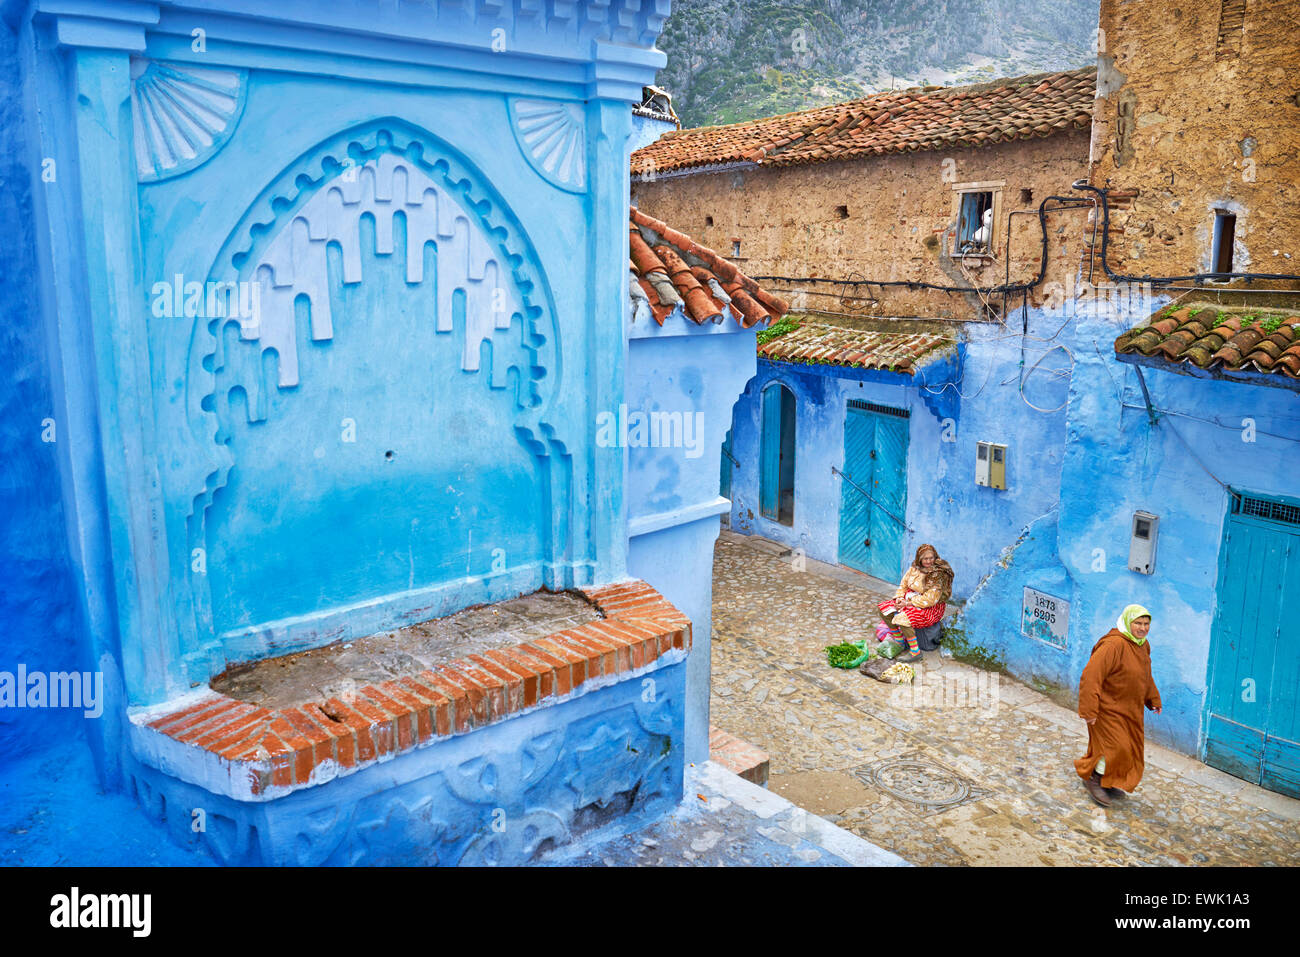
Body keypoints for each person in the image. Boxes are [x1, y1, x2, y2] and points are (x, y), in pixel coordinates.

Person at [1074, 604, 1162, 808]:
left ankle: (1107, 779)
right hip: (1106, 708)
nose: (1142, 628)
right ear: (1127, 622)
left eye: (1146, 624)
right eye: (1138, 623)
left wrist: (1153, 699)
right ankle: (1094, 779)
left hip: (1129, 709)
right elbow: (1091, 677)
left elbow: (1145, 676)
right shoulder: (1113, 645)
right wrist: (1089, 710)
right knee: (1114, 747)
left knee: (1127, 748)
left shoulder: (1142, 645)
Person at [877, 545, 954, 662]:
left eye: (931, 558)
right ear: (919, 559)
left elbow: (929, 600)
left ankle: (915, 652)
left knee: (903, 619)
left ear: (935, 557)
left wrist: (907, 604)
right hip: (908, 600)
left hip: (930, 608)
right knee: (885, 610)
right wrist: (898, 598)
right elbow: (903, 584)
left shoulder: (938, 574)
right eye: (925, 559)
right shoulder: (914, 568)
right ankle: (900, 641)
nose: (928, 561)